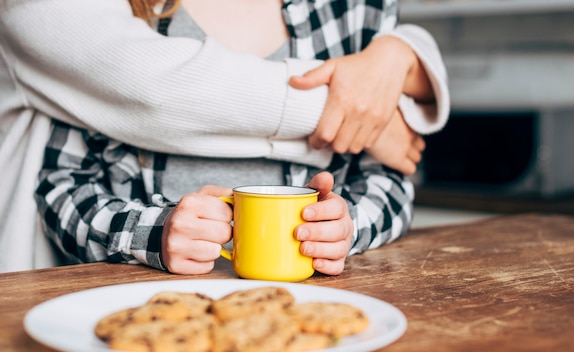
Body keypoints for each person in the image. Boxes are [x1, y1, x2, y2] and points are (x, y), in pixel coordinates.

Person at [0, 0, 449, 273]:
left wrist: (346, 227)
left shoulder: (354, 11)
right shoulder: (113, 12)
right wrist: (151, 234)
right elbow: (61, 185)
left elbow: (390, 181)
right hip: (142, 304)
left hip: (313, 302)